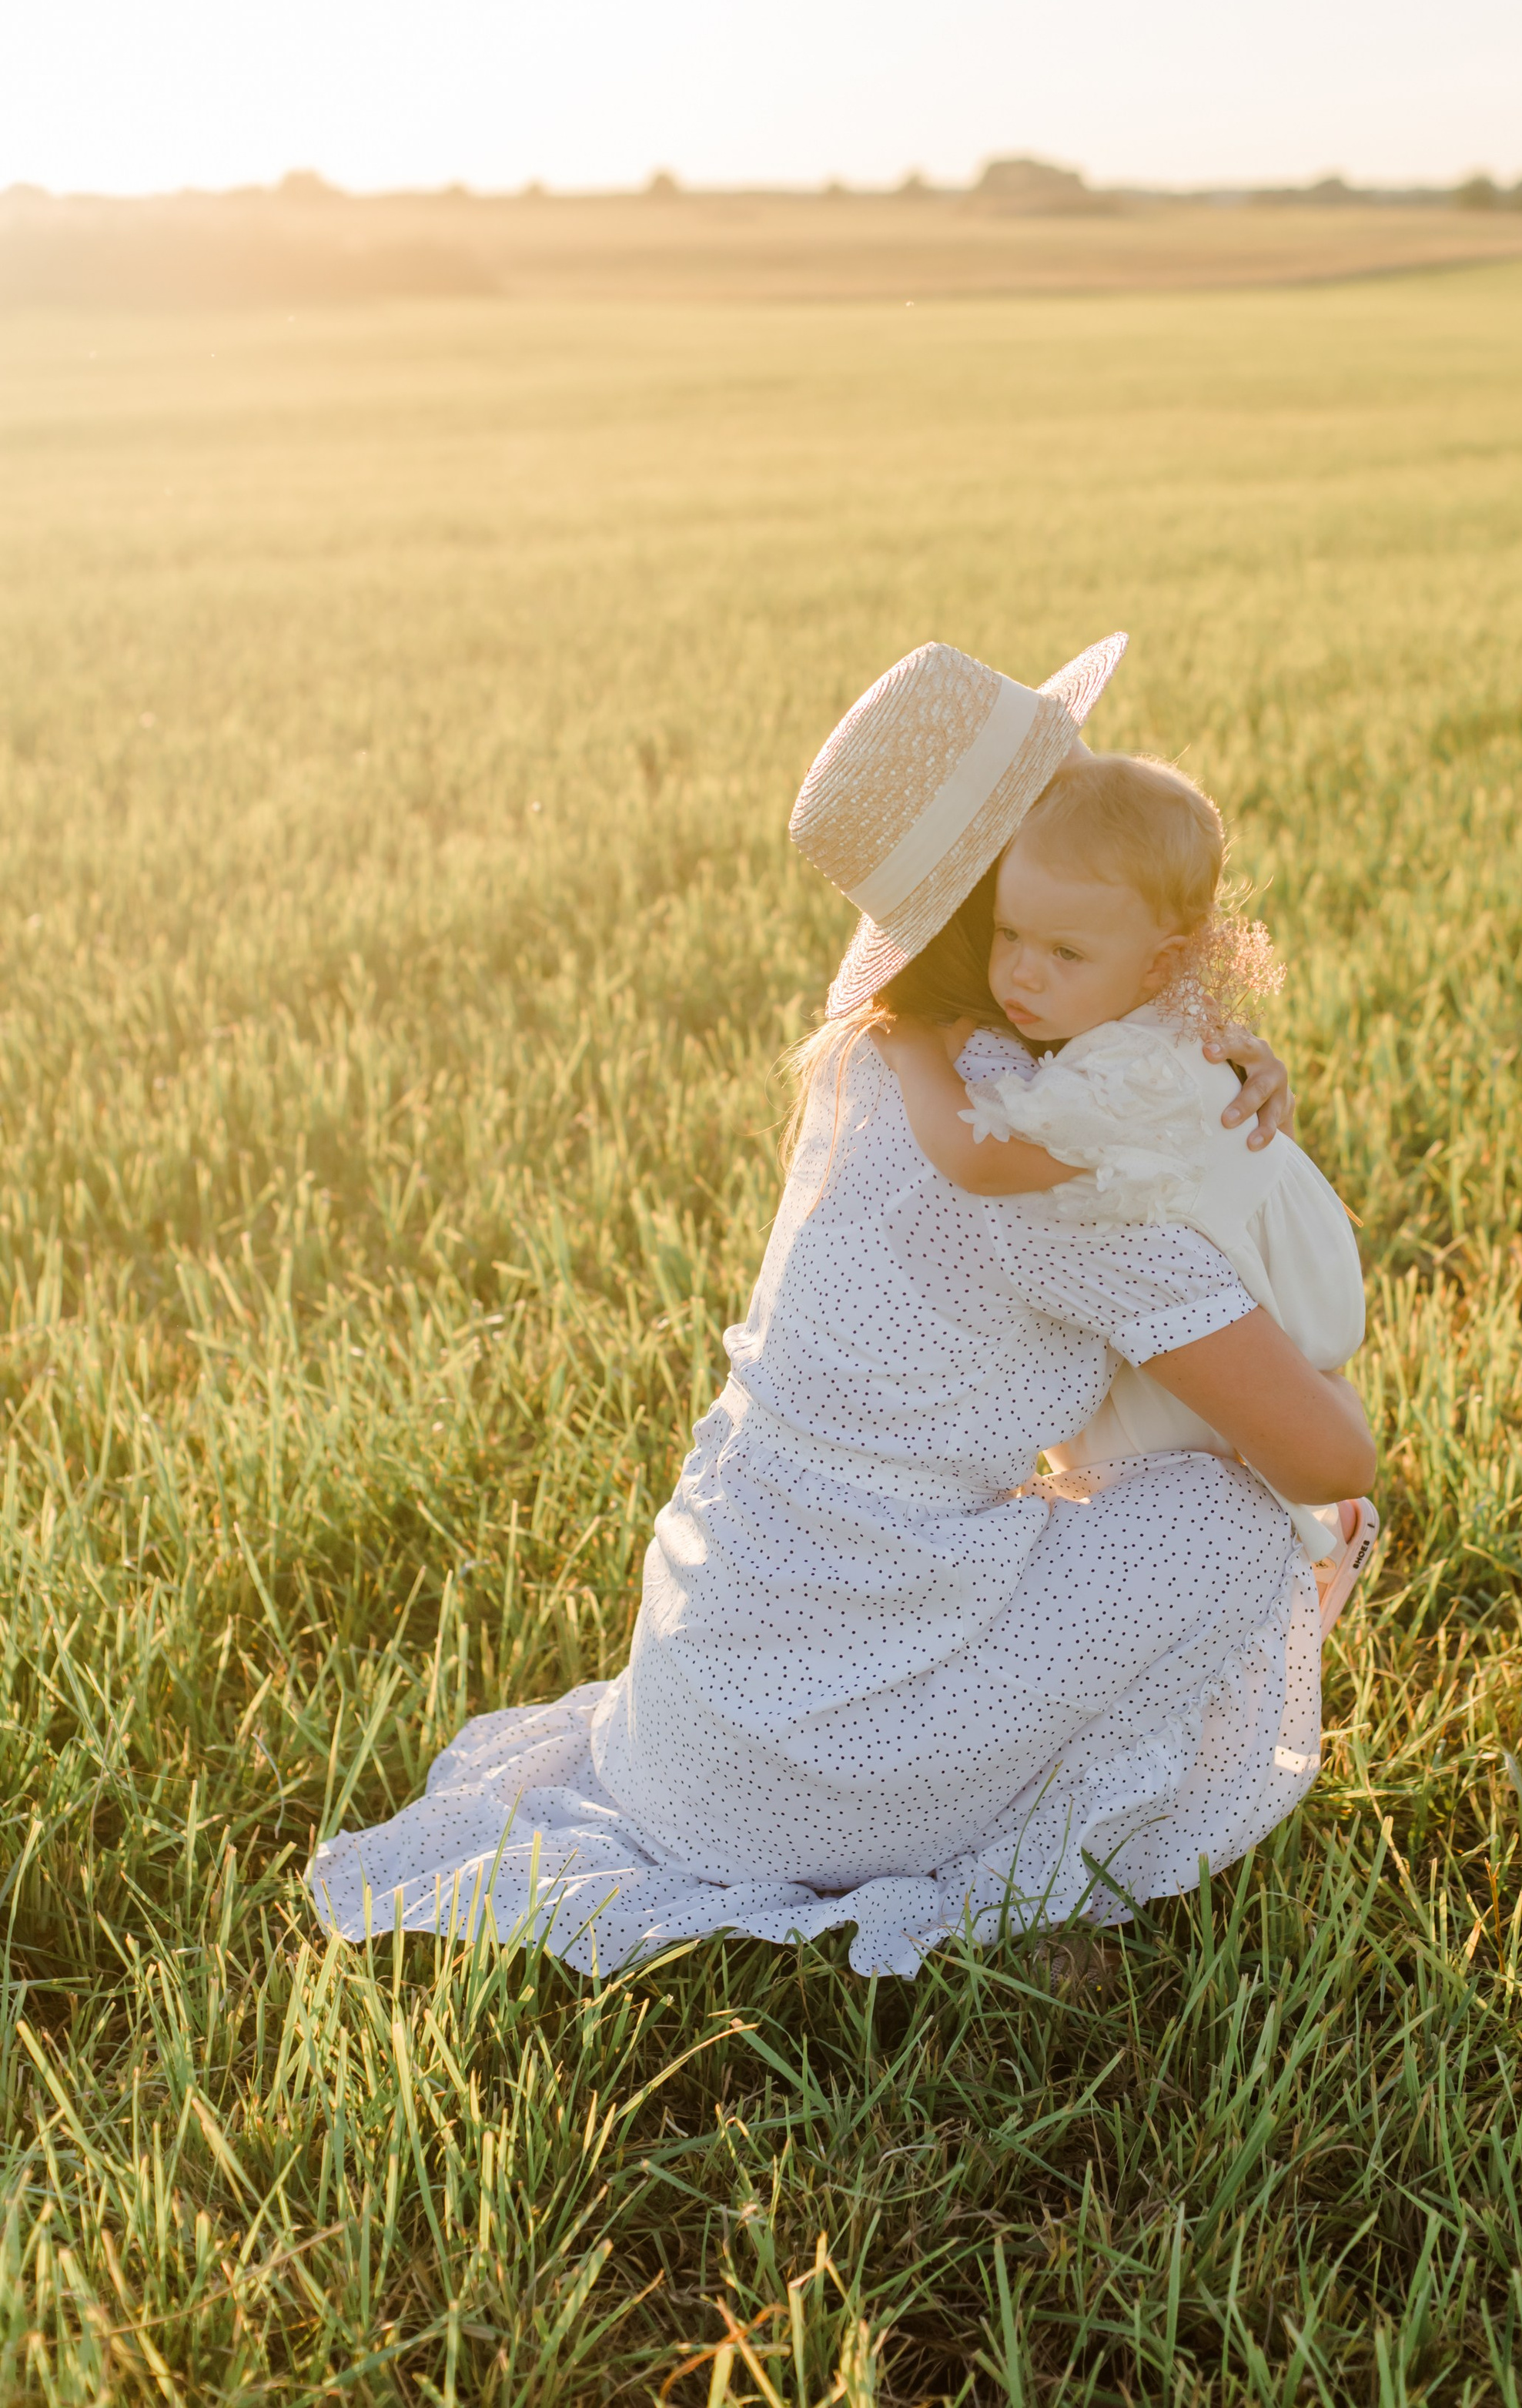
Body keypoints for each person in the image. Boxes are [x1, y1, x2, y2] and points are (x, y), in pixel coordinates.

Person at [309, 633, 1376, 1981]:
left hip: (692, 1729)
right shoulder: (1068, 1166)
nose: (1082, 793)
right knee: (1252, 1520)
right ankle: (1036, 1890)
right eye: (1056, 791)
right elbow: (1326, 1457)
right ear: (1008, 886)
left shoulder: (876, 1057)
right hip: (821, 1774)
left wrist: (1206, 1046)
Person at [876, 748, 1376, 1613]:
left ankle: (1302, 1552)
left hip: (1267, 1296)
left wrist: (912, 1045)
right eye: (1009, 935)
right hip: (1274, 1283)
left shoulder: (1122, 1078)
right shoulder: (1145, 1019)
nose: (1024, 973)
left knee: (1141, 1462)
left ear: (1159, 963)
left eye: (1064, 952)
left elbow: (980, 1156)